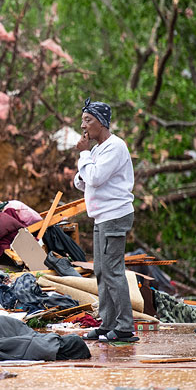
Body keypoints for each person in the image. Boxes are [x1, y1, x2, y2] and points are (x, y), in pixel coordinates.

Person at [73, 97, 137, 342]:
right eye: (82, 121)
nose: (84, 126)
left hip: (115, 215)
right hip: (102, 216)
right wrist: (85, 164)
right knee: (101, 270)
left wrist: (84, 157)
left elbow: (96, 177)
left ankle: (124, 327)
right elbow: (83, 181)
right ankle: (107, 323)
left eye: (88, 120)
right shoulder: (98, 148)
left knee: (113, 270)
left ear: (101, 122)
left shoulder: (115, 147)